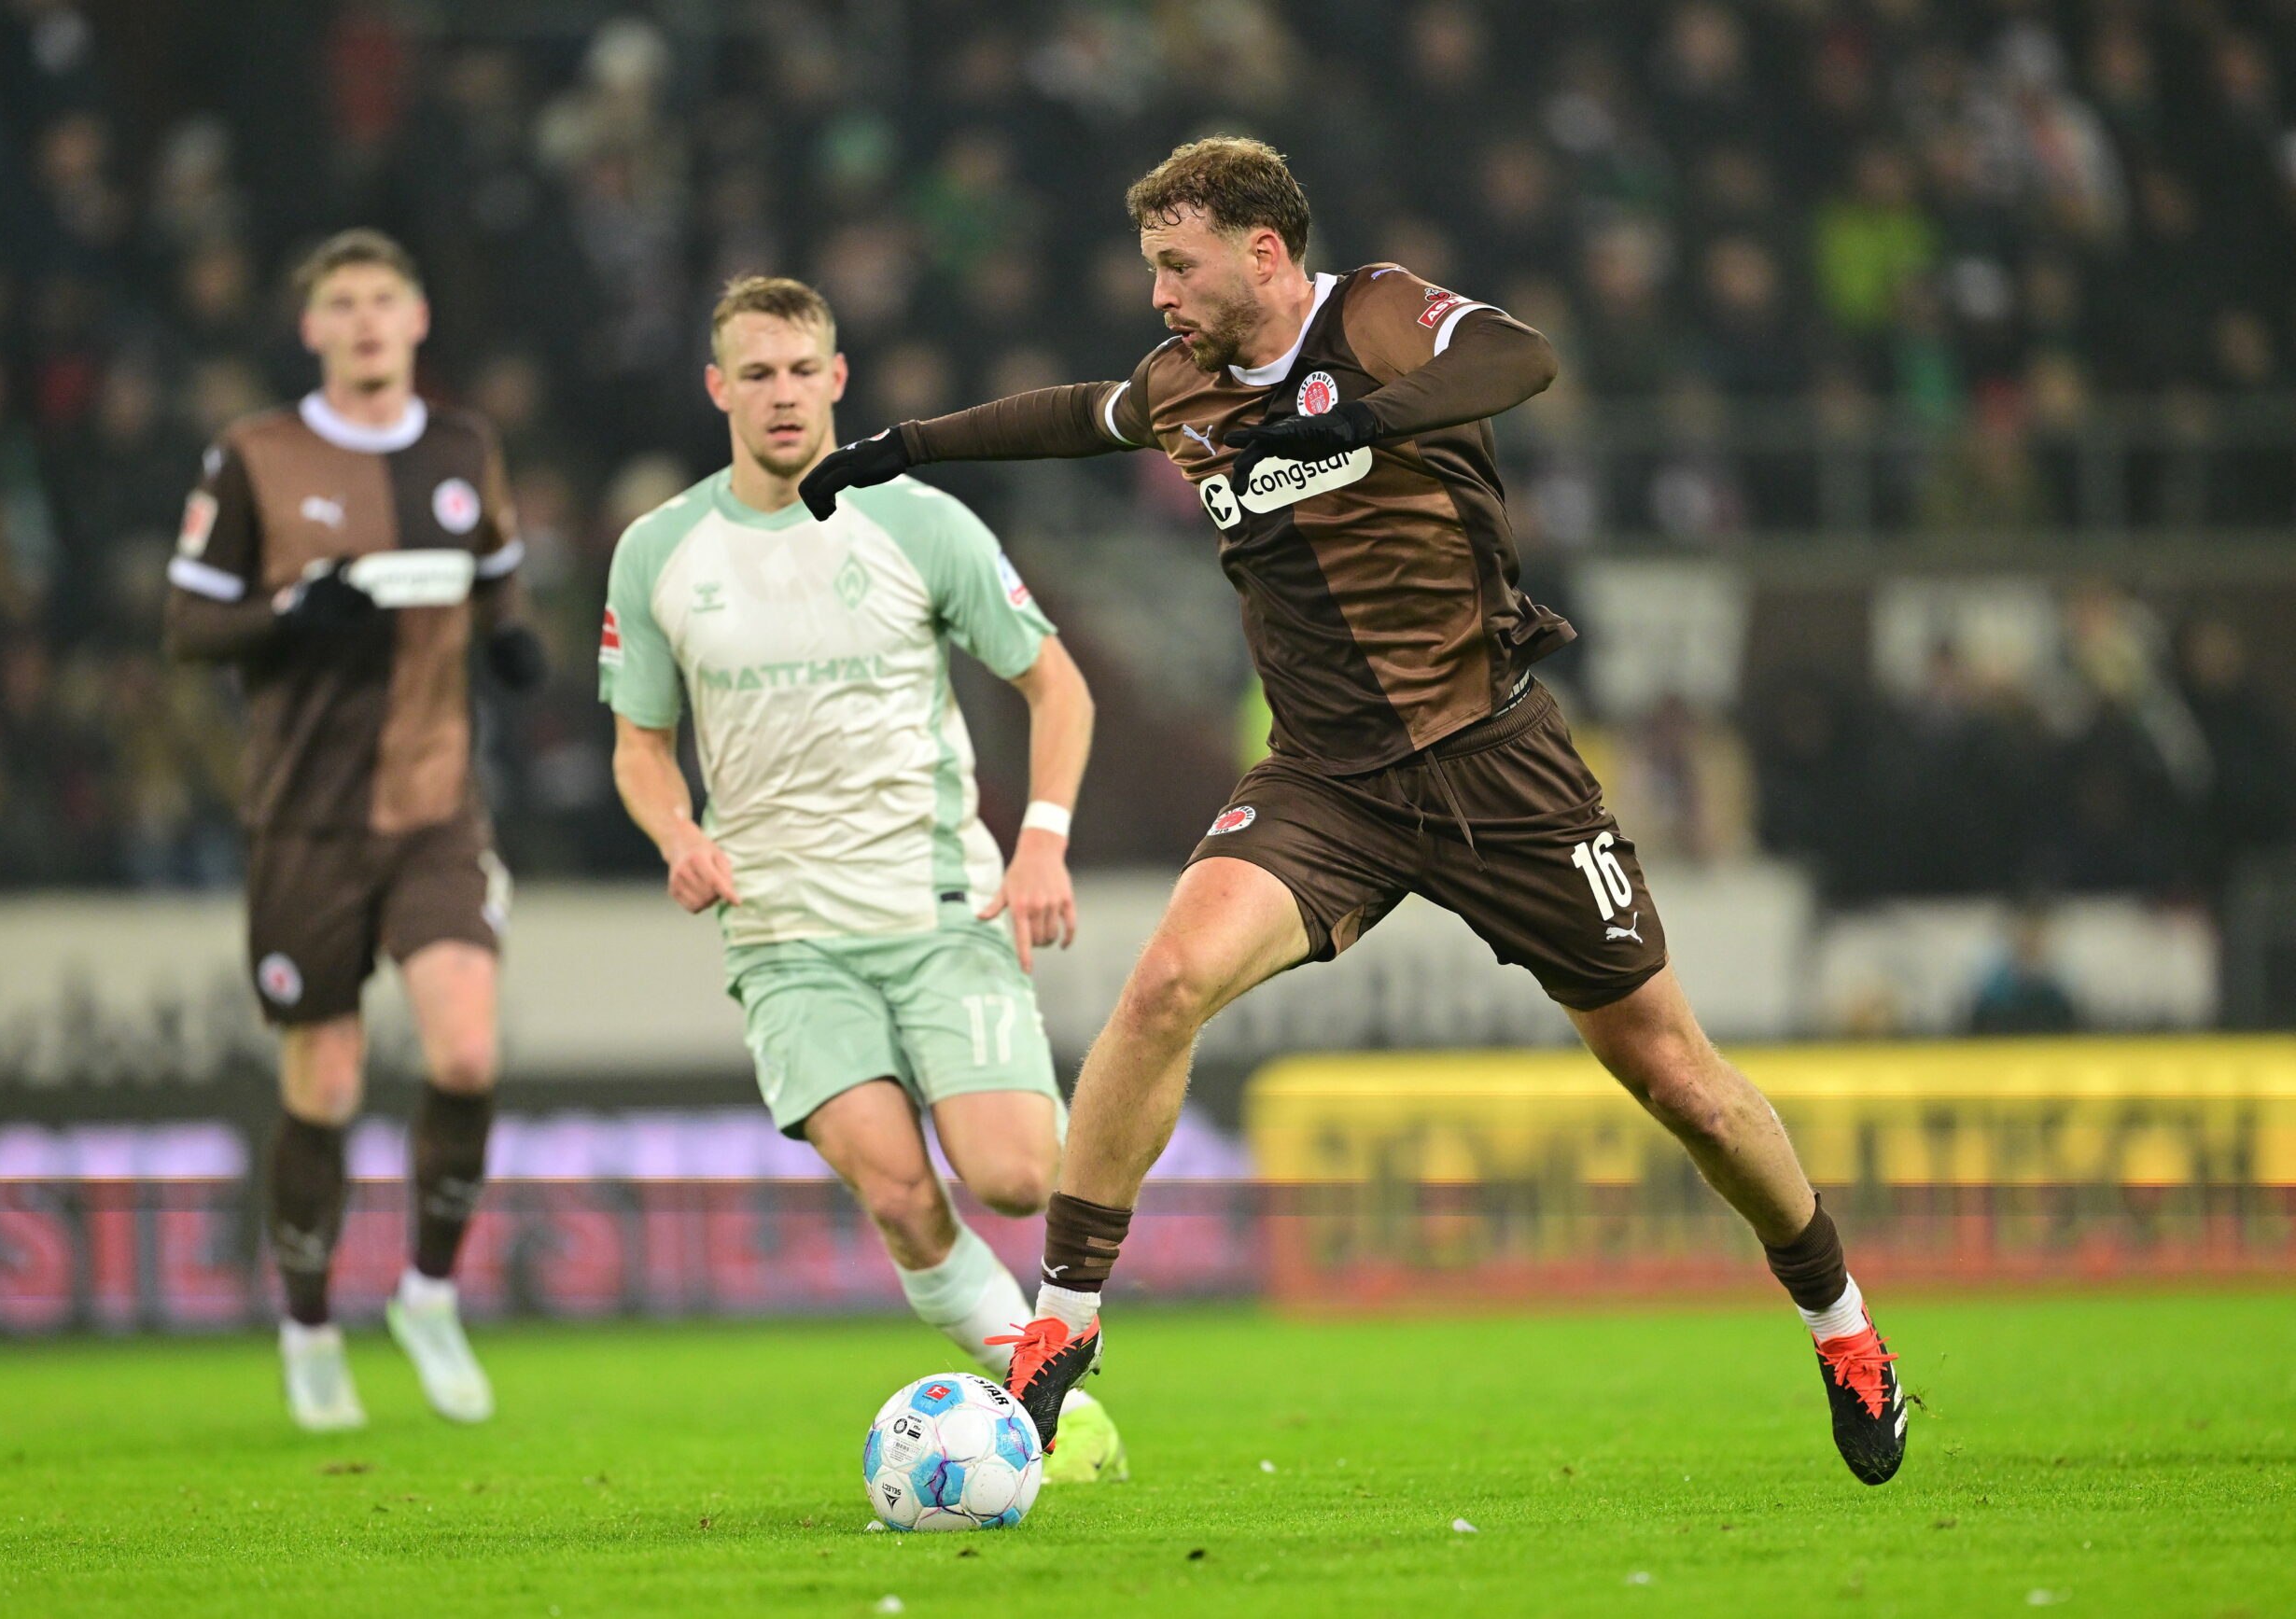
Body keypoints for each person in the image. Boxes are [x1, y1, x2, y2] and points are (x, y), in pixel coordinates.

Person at [802, 138, 1908, 1486]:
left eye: (1176, 263)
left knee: (1674, 1076)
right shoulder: (1182, 390)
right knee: (1162, 989)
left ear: (1263, 253)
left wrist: (1366, 421)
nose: (1158, 293)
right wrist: (895, 451)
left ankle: (1843, 1328)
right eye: (1151, 267)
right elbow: (1070, 414)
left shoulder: (1377, 315)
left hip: (1498, 765)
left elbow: (1525, 360)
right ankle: (1060, 1331)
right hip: (1328, 784)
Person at [599, 275, 1127, 1481]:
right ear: (718, 388)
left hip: (939, 907)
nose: (781, 396)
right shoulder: (660, 552)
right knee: (898, 1192)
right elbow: (638, 747)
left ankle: (1044, 1349)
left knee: (1013, 1175)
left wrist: (1042, 836)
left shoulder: (918, 523)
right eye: (757, 374)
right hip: (782, 934)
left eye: (802, 372)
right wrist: (678, 834)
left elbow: (1059, 688)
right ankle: (1046, 1398)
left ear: (838, 381)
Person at [163, 230, 549, 1431]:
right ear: (312, 328)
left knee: (467, 1054)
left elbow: (495, 574)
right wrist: (289, 611)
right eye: (344, 302)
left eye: (386, 298)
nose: (368, 319)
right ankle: (309, 1324)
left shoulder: (463, 446)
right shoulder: (257, 457)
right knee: (323, 1083)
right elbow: (189, 624)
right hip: (304, 825)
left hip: (435, 811)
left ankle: (428, 1296)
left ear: (419, 318)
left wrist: (510, 640)